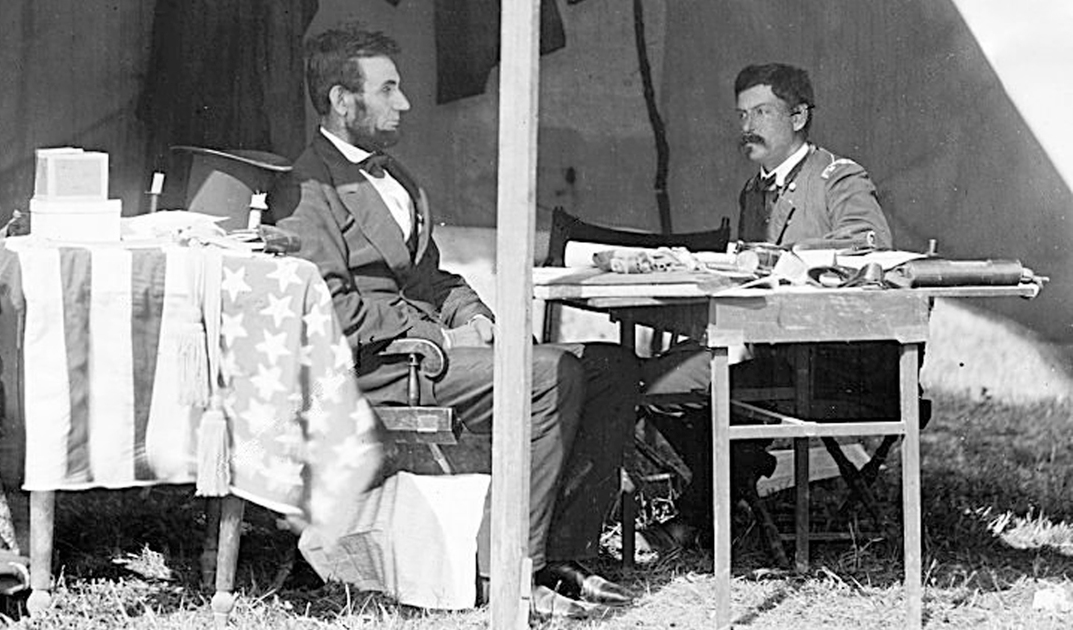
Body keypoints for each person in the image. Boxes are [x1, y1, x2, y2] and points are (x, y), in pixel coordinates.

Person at [267, 28, 639, 618]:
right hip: (377, 368)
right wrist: (443, 335)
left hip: (425, 353)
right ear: (342, 101)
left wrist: (476, 316)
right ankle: (510, 571)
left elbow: (433, 280)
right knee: (550, 376)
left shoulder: (403, 180)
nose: (405, 102)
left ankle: (565, 557)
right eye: (387, 89)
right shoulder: (307, 186)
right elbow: (332, 310)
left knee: (611, 369)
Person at [639, 63, 897, 552]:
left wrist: (777, 259)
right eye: (741, 115)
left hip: (848, 366)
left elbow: (870, 243)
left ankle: (702, 512)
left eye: (761, 112)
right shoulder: (755, 191)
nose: (747, 127)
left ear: (798, 115)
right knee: (655, 384)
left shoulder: (837, 178)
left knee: (683, 387)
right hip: (786, 358)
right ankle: (737, 476)